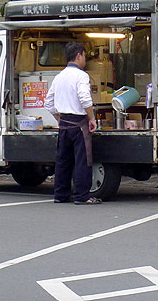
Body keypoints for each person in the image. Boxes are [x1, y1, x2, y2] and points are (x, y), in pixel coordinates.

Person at [45, 42, 100, 205]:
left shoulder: (59, 76)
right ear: (79, 56)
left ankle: (60, 194)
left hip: (64, 124)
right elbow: (84, 98)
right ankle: (82, 196)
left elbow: (48, 103)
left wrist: (59, 119)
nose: (85, 59)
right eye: (84, 56)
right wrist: (91, 118)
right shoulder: (81, 76)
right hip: (79, 123)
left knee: (63, 160)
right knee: (83, 160)